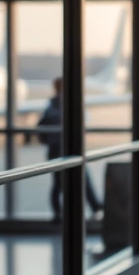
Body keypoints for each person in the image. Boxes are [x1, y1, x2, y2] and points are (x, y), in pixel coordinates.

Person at [36, 77, 103, 222]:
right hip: (63, 147)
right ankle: (94, 206)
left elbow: (42, 126)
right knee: (79, 178)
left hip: (56, 148)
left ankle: (60, 213)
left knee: (59, 183)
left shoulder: (52, 105)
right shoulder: (64, 103)